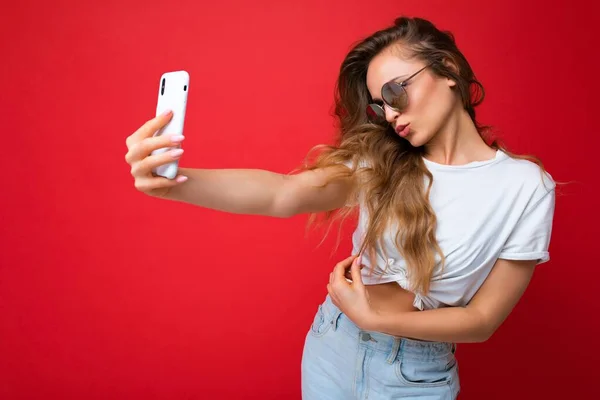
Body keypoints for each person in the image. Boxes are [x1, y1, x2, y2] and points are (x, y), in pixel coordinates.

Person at [124, 16, 556, 400]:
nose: (390, 115)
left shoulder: (525, 187)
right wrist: (176, 185)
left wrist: (373, 316)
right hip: (334, 345)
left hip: (416, 376)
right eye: (380, 104)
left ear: (448, 69)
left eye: (395, 92)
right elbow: (282, 193)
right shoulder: (380, 161)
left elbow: (482, 320)